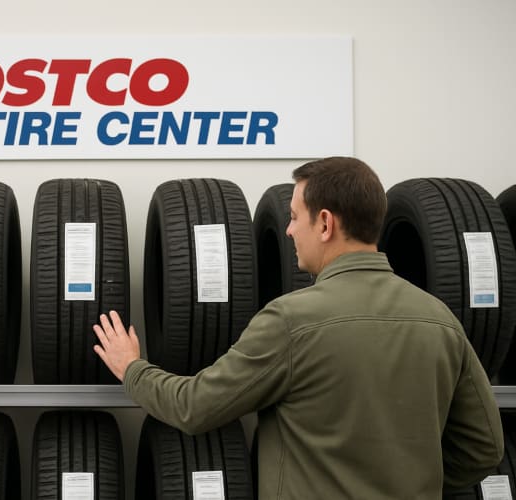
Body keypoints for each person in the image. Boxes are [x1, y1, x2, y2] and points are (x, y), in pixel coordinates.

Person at [92, 157, 503, 499]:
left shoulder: (291, 322)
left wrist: (133, 368)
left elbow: (195, 407)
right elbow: (484, 447)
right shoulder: (440, 320)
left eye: (293, 217)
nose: (288, 230)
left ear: (325, 224)